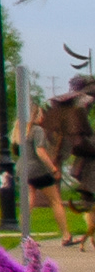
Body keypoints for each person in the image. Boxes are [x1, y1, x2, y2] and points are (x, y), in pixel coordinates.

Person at [33, 72, 95, 251]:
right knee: (84, 202)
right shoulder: (75, 111)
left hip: (81, 165)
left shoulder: (70, 110)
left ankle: (77, 235)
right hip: (84, 166)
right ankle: (78, 235)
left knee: (87, 202)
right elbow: (78, 143)